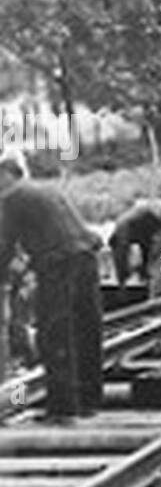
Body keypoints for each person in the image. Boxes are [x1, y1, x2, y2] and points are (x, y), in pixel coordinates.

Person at [0, 155, 103, 421]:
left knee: (54, 332)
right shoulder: (47, 188)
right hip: (86, 256)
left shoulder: (11, 198)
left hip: (58, 263)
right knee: (85, 327)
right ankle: (89, 400)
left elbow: (5, 246)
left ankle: (62, 408)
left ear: (5, 175)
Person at [109, 197, 161, 298]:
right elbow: (147, 250)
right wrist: (144, 272)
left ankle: (159, 301)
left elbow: (120, 257)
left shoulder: (121, 228)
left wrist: (122, 280)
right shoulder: (136, 223)